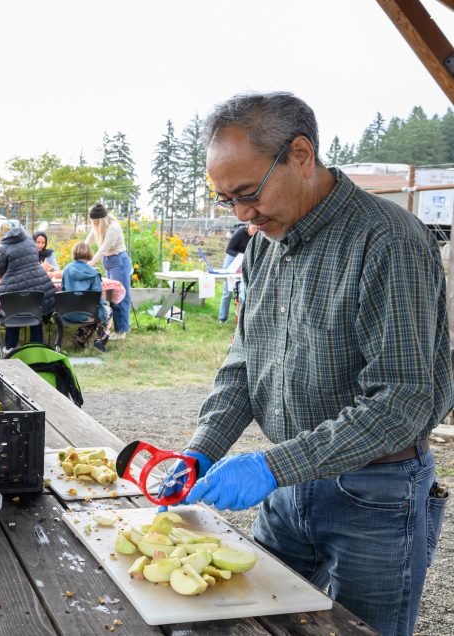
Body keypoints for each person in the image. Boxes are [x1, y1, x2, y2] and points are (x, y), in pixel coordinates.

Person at [165, 92, 450, 636]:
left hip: (376, 492)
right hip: (288, 485)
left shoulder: (387, 240)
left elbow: (403, 401)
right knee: (253, 622)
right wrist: (202, 448)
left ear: (300, 154)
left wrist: (272, 467)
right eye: (228, 200)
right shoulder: (264, 244)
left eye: (248, 193)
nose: (243, 215)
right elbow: (243, 365)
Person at [0, 226, 56, 350]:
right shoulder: (30, 242)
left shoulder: (4, 247)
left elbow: (0, 273)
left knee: (13, 311)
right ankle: (37, 348)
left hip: (13, 290)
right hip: (37, 284)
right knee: (36, 312)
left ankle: (10, 348)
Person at [85, 203, 131, 340]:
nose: (93, 223)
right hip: (109, 262)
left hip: (119, 262)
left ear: (101, 219)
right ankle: (114, 328)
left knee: (120, 297)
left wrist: (88, 264)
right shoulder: (97, 226)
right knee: (110, 297)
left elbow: (103, 249)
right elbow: (87, 241)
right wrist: (78, 253)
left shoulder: (113, 228)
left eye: (95, 221)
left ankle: (121, 331)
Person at [60, 242, 110, 352]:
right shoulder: (94, 273)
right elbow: (98, 298)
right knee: (107, 310)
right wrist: (104, 316)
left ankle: (80, 338)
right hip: (86, 314)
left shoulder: (67, 269)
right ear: (89, 254)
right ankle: (99, 340)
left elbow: (63, 289)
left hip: (66, 313)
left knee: (97, 311)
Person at [217, 222, 257, 322]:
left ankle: (241, 319)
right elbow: (229, 250)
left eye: (257, 229)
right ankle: (222, 318)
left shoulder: (256, 236)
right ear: (248, 226)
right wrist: (241, 256)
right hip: (232, 262)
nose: (256, 231)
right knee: (227, 292)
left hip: (244, 263)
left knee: (242, 292)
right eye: (254, 228)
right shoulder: (240, 232)